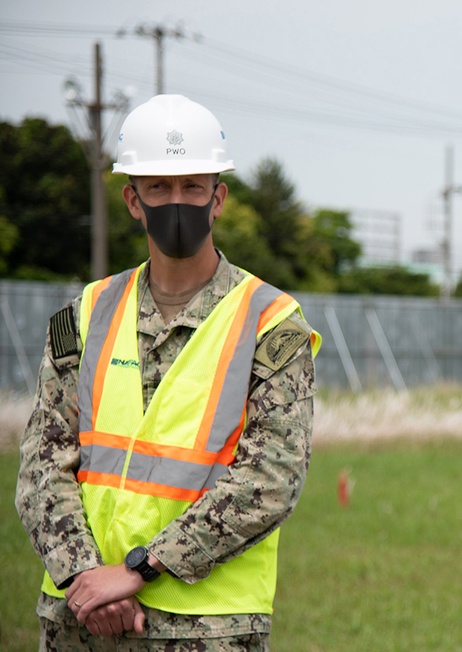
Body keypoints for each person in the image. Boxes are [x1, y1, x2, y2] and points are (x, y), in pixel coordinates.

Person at [16, 94, 322, 651]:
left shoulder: (272, 324)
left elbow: (272, 477)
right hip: (80, 620)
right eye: (158, 187)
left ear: (218, 198)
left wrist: (138, 570)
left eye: (192, 186)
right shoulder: (85, 314)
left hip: (208, 629)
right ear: (133, 200)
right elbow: (43, 462)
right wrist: (86, 577)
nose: (175, 201)